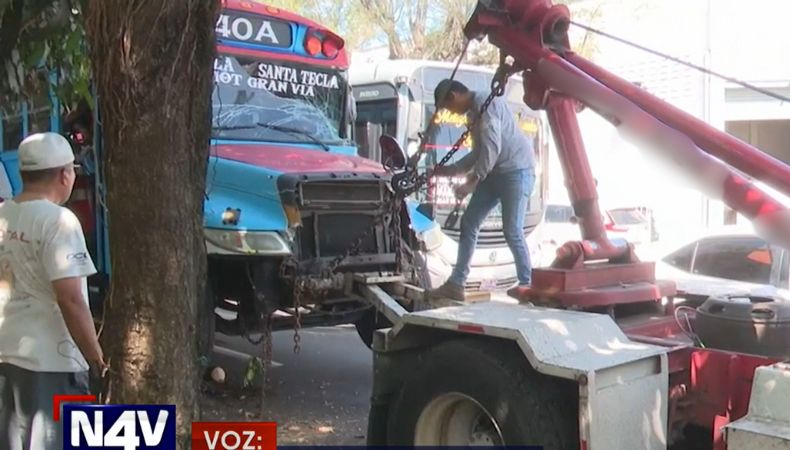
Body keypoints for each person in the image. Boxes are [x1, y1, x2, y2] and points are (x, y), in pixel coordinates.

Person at [0, 132, 105, 450]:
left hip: (7, 356)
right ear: (64, 174)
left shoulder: (4, 215)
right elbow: (70, 299)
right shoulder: (60, 221)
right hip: (51, 364)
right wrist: (95, 357)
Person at [428, 79, 536, 301]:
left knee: (512, 230)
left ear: (454, 96)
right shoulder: (473, 113)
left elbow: (492, 149)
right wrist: (451, 170)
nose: (452, 113)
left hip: (516, 170)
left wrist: (472, 181)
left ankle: (528, 286)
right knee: (469, 222)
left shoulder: (487, 103)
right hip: (494, 172)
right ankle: (457, 283)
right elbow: (479, 153)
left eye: (448, 108)